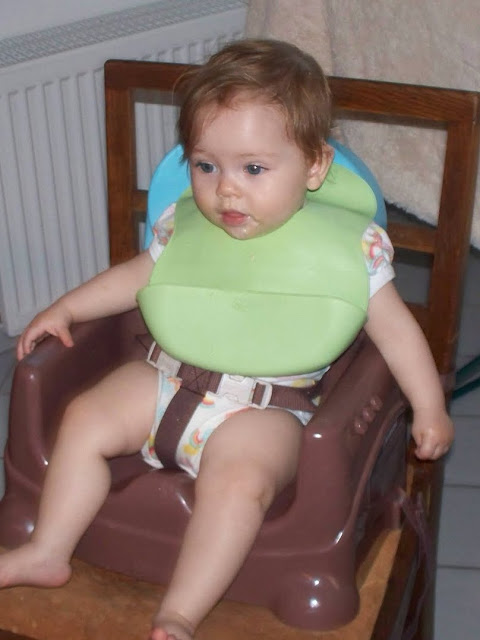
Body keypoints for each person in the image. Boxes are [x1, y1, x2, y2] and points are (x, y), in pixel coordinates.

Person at [0, 39, 453, 640]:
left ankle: (180, 613)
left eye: (253, 169)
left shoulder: (351, 250)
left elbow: (395, 331)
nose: (226, 190)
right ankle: (48, 551)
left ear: (315, 166)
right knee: (83, 417)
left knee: (238, 484)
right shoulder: (184, 225)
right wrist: (65, 308)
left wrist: (429, 406)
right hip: (167, 378)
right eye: (206, 166)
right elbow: (135, 278)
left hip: (267, 409)